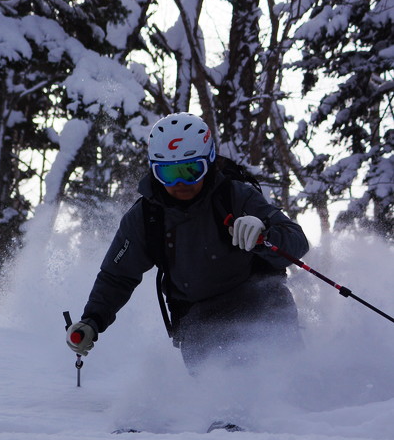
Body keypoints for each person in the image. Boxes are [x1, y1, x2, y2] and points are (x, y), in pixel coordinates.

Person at [66, 112, 309, 372]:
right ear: (153, 170)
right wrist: (92, 320)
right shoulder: (147, 217)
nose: (181, 183)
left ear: (209, 161)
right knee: (218, 398)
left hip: (260, 304)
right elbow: (117, 276)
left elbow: (297, 243)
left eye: (191, 170)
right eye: (169, 174)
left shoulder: (235, 196)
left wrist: (265, 235)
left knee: (283, 383)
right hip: (199, 320)